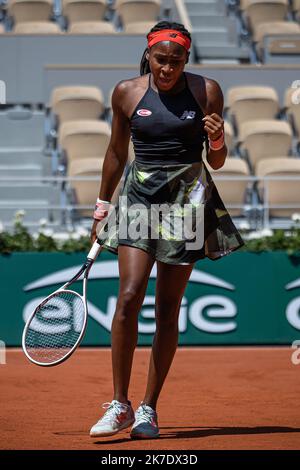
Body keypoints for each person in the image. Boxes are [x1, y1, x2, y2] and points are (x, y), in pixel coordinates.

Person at [89, 21, 244, 440]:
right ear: (149, 55)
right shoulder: (126, 92)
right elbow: (116, 152)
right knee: (128, 295)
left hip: (187, 200)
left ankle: (148, 409)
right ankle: (119, 403)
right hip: (139, 196)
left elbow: (218, 162)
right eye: (161, 59)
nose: (168, 68)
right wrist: (103, 207)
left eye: (176, 60)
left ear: (187, 59)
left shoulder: (207, 91)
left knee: (167, 309)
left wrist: (216, 141)